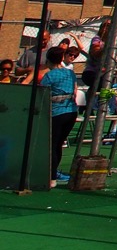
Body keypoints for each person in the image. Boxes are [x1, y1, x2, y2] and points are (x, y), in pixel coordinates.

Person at [33, 46, 79, 187]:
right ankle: (53, 174)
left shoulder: (49, 76)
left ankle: (51, 177)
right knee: (59, 144)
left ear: (48, 60)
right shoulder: (70, 74)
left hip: (57, 113)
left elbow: (41, 96)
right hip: (71, 112)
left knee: (52, 145)